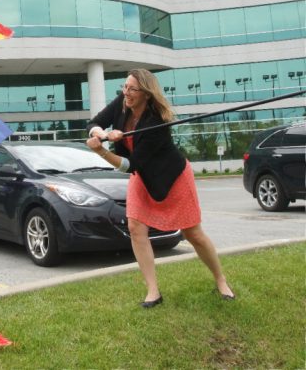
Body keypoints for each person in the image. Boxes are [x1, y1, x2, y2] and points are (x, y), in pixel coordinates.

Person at [86, 68, 235, 308]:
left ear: (146, 93)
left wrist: (101, 151)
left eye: (132, 89)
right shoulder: (122, 103)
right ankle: (153, 291)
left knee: (193, 234)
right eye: (125, 87)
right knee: (136, 228)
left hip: (171, 177)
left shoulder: (156, 121)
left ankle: (221, 279)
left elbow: (130, 164)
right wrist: (100, 133)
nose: (126, 92)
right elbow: (94, 122)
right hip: (141, 177)